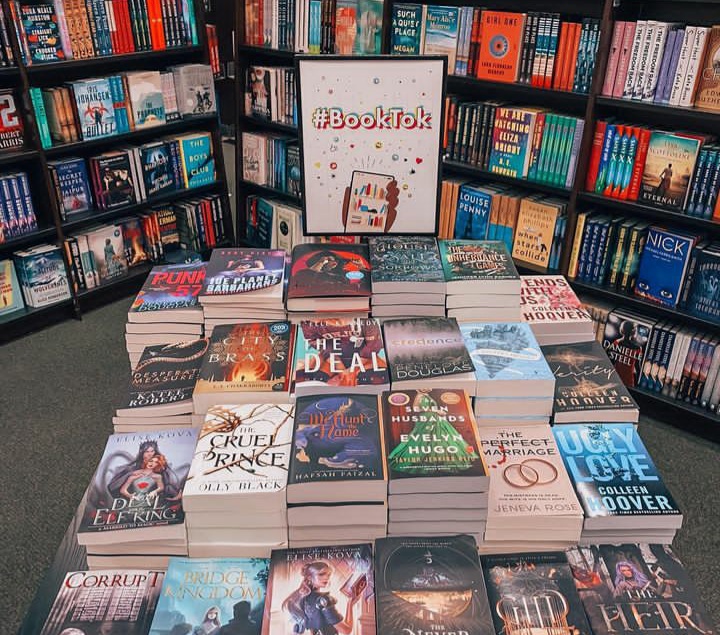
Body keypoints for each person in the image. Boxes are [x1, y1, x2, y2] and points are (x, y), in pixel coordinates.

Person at [282, 561, 362, 635]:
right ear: (309, 577)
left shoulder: (303, 599)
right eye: (321, 574)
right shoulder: (324, 600)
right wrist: (350, 605)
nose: (326, 577)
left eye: (328, 574)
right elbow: (346, 630)